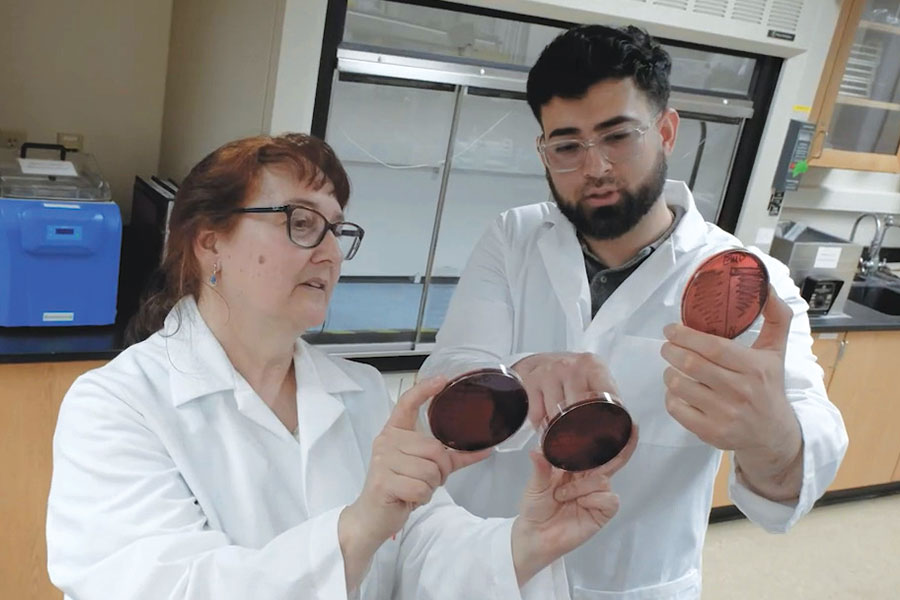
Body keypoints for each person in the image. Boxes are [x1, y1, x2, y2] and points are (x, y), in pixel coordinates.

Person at [45, 133, 635, 600]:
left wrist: (527, 542)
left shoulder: (359, 389)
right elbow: (163, 588)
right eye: (300, 223)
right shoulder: (117, 405)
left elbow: (418, 543)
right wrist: (355, 527)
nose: (328, 251)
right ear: (208, 243)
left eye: (336, 229)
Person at [419, 25, 848, 599]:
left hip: (630, 579)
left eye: (617, 136)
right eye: (567, 146)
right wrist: (520, 374)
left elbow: (800, 455)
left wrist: (771, 435)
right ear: (544, 151)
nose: (595, 167)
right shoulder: (513, 237)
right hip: (490, 565)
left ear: (666, 130)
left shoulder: (745, 280)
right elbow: (445, 378)